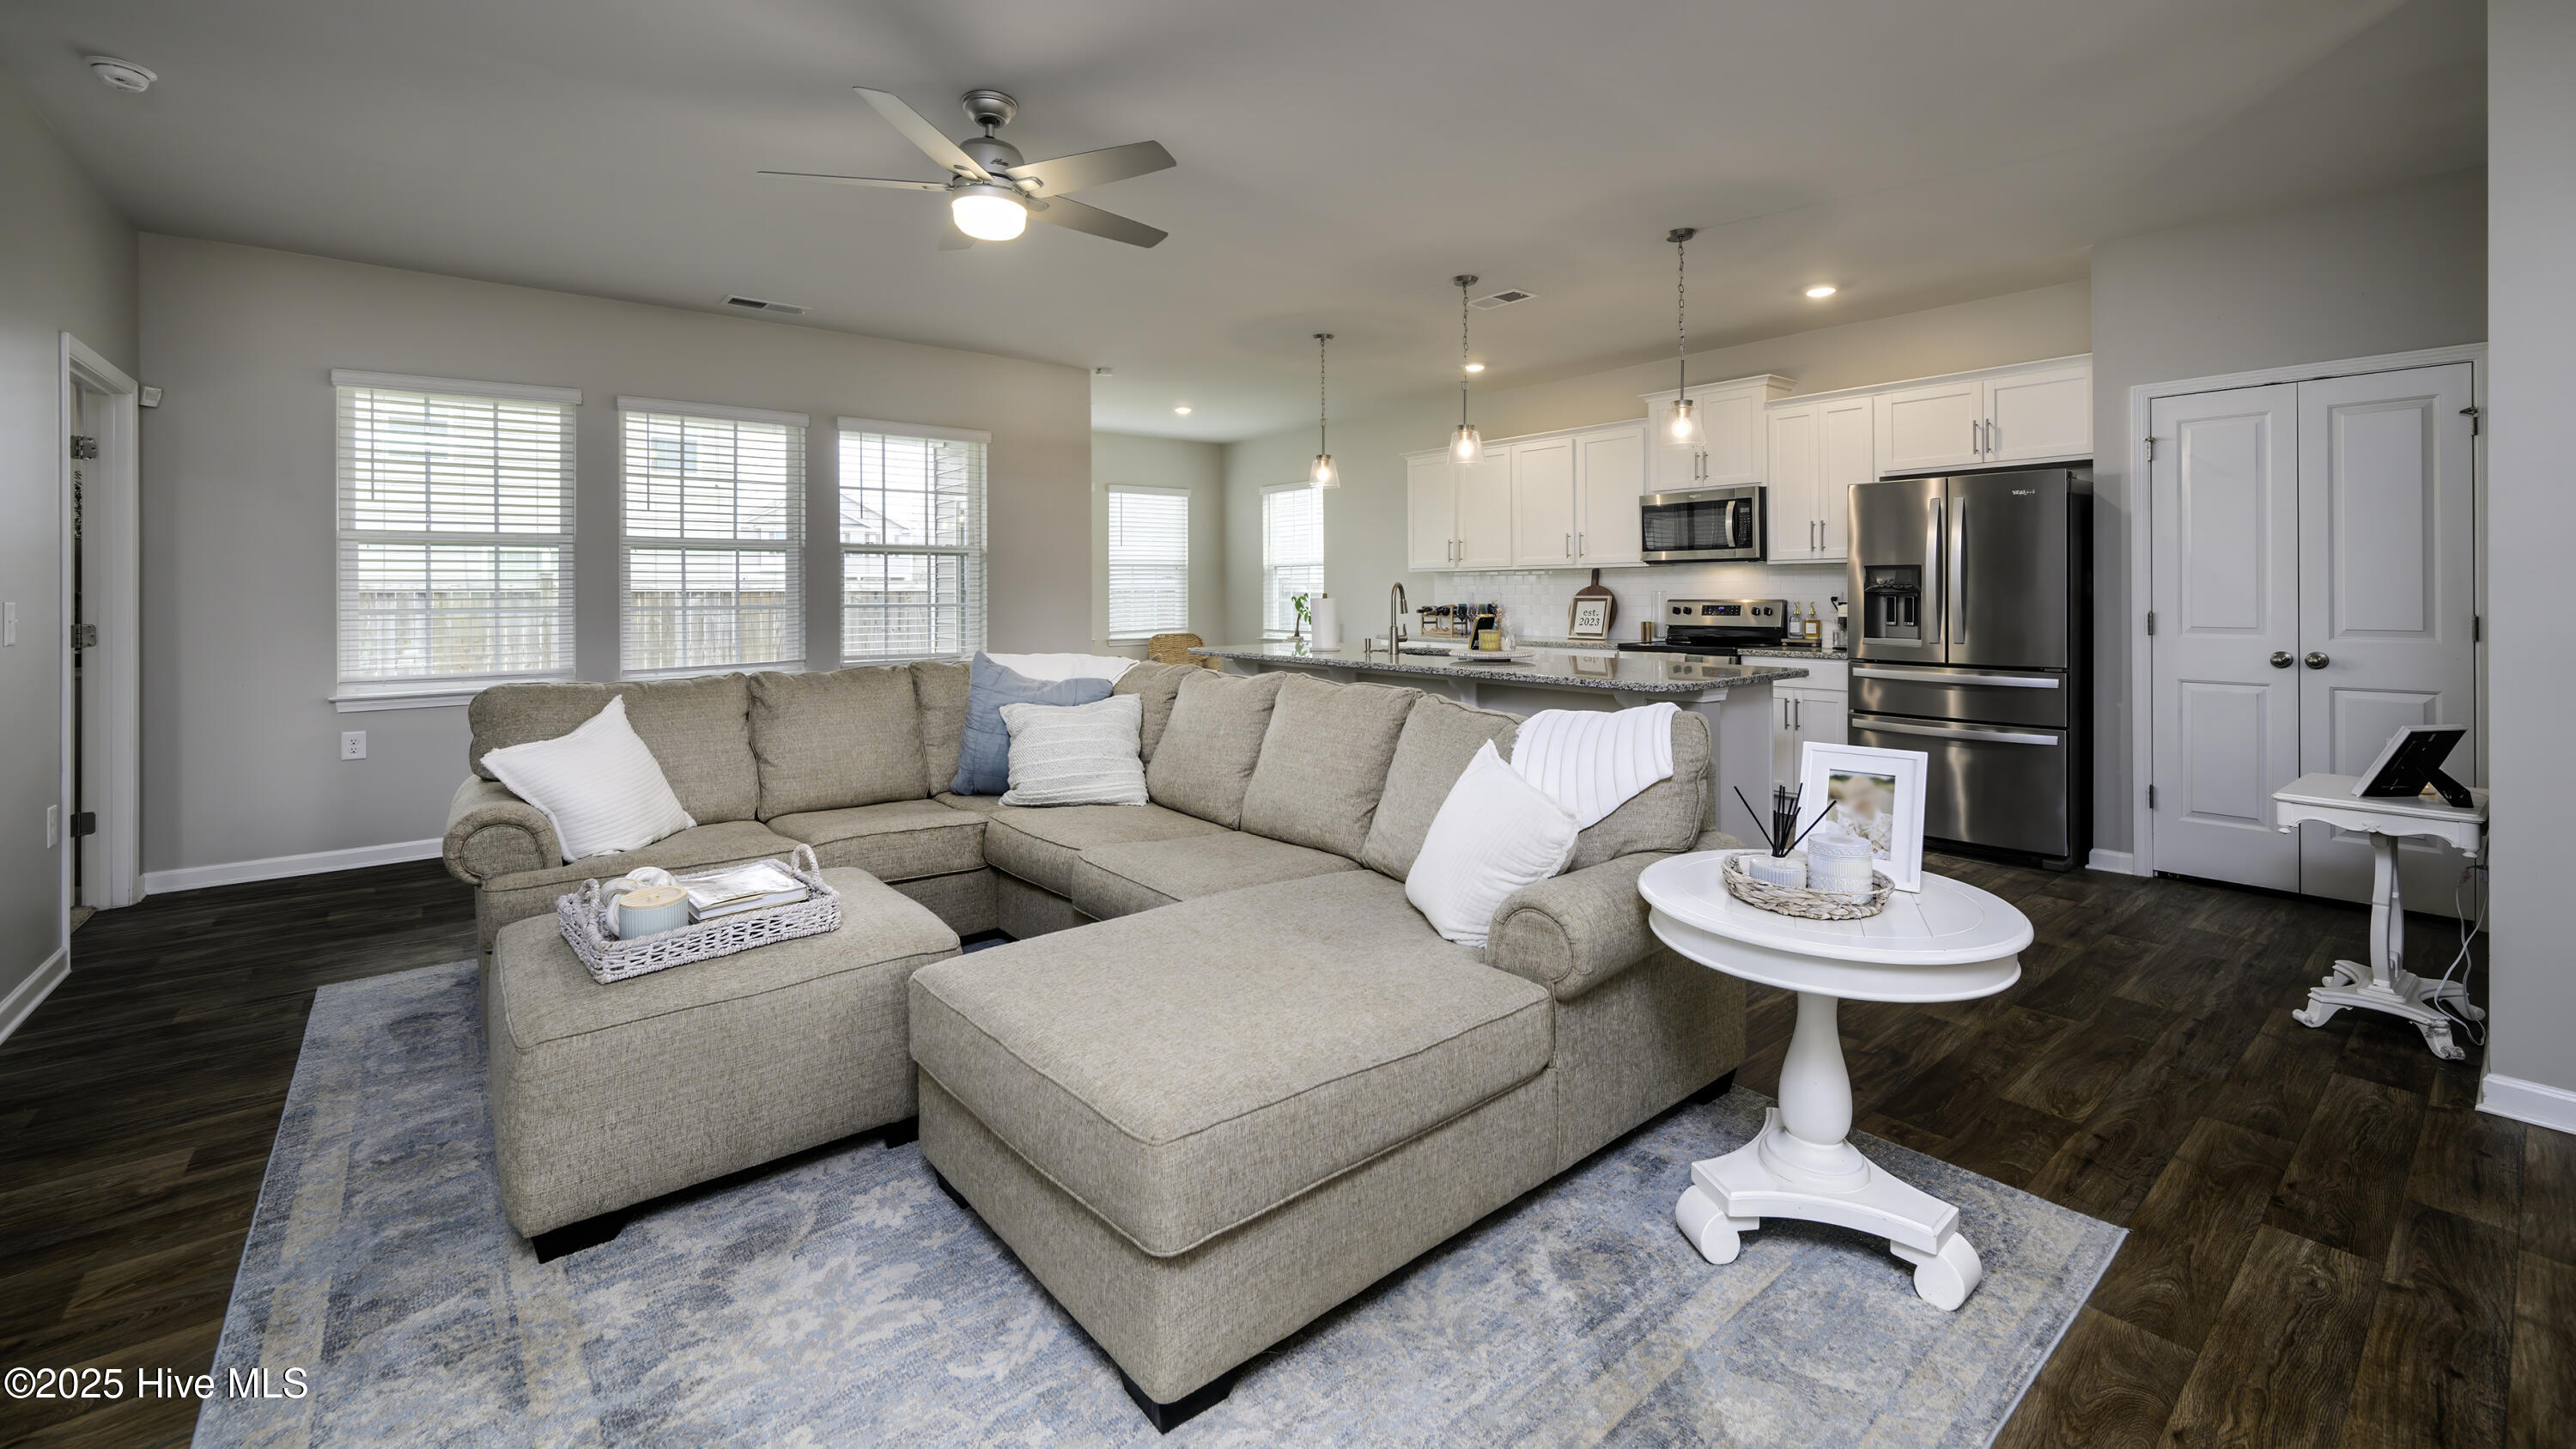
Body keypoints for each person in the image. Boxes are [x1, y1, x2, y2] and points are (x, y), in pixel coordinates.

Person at [1828, 771, 1895, 855]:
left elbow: (1876, 833)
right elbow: (1849, 833)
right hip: (1857, 841)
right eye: (1856, 795)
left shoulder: (1879, 817)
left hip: (1873, 840)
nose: (1862, 798)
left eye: (1865, 793)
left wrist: (1875, 848)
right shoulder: (1846, 814)